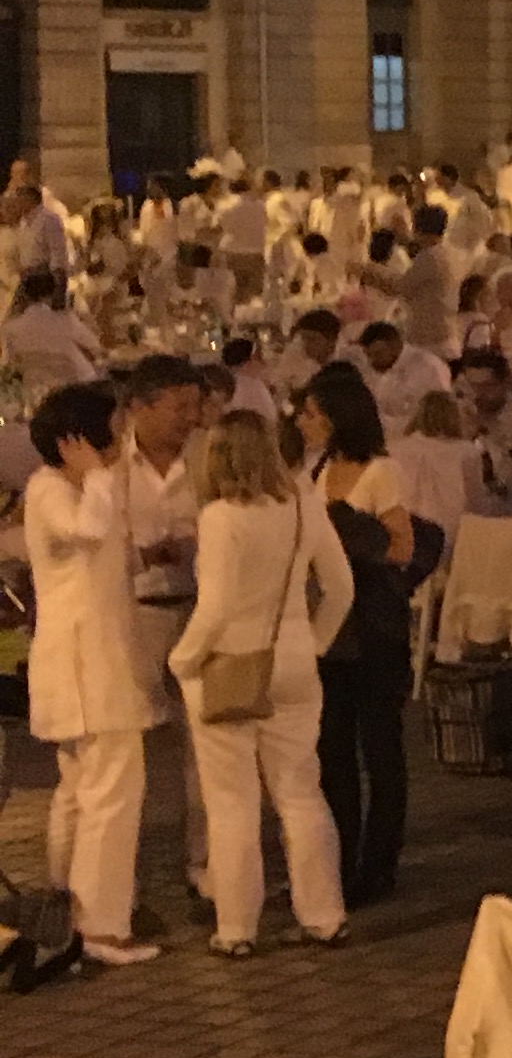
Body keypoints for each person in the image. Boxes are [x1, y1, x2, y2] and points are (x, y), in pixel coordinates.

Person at [170, 407, 352, 957]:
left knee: (231, 804)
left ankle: (236, 929)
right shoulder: (303, 504)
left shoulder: (222, 516)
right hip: (293, 662)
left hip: (228, 666)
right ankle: (324, 915)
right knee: (300, 791)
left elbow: (216, 606)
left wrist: (184, 659)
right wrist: (313, 643)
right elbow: (341, 588)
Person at [20, 380, 158, 971]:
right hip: (87, 670)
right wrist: (97, 475)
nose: (123, 439)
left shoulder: (69, 488)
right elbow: (89, 531)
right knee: (110, 794)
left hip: (90, 665)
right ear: (80, 439)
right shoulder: (53, 488)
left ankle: (72, 912)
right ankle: (100, 924)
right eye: (114, 427)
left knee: (82, 793)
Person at [296, 358, 422, 905]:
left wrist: (350, 539)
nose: (302, 421)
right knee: (333, 750)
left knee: (380, 748)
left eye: (310, 413)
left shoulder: (380, 472)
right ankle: (340, 859)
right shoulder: (317, 469)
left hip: (371, 626)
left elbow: (402, 546)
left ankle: (380, 861)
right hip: (328, 628)